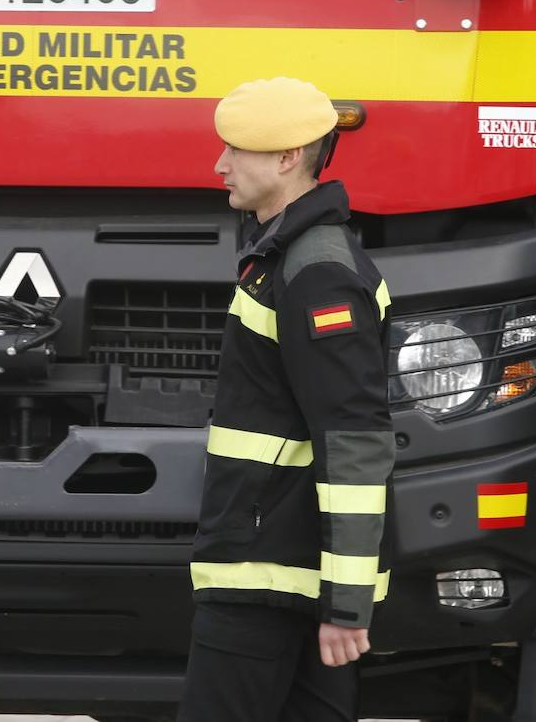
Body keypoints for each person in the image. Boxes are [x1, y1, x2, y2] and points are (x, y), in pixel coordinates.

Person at [177, 77, 393, 722]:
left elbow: (354, 439)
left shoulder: (316, 273)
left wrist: (347, 603)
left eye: (235, 150)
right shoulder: (290, 258)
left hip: (266, 580)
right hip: (277, 574)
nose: (220, 165)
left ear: (286, 156)